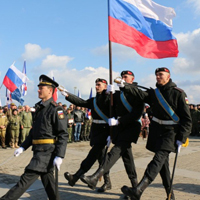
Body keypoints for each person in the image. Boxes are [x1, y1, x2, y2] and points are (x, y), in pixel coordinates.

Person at [120, 67, 192, 200]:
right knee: (163, 166)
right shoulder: (154, 93)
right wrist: (125, 86)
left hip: (171, 133)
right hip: (157, 132)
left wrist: (182, 138)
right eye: (156, 75)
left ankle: (139, 189)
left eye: (161, 75)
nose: (158, 77)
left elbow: (187, 120)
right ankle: (170, 196)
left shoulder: (178, 93)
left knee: (157, 161)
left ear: (168, 76)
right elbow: (140, 94)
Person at [0, 75, 68, 200]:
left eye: (41, 88)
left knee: (25, 180)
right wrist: (22, 147)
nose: (38, 90)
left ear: (50, 90)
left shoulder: (56, 109)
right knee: (49, 184)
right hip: (38, 150)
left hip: (47, 152)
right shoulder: (39, 108)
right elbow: (34, 132)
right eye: (38, 87)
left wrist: (60, 155)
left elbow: (63, 134)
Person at [81, 71, 144, 200]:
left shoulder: (136, 92)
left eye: (126, 77)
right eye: (122, 77)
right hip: (119, 127)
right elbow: (111, 106)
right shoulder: (119, 93)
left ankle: (95, 176)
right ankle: (136, 188)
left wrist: (120, 120)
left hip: (131, 126)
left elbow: (136, 113)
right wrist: (108, 93)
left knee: (115, 152)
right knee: (127, 158)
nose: (123, 79)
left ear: (132, 79)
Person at [60, 78, 112, 193]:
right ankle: (106, 182)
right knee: (101, 157)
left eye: (99, 85)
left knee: (92, 155)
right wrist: (67, 94)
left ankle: (76, 177)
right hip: (96, 131)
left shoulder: (109, 98)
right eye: (96, 85)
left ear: (105, 86)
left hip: (105, 131)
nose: (96, 87)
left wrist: (110, 93)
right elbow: (81, 102)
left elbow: (112, 109)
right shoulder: (93, 100)